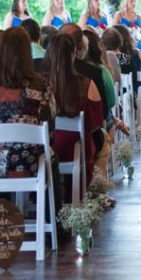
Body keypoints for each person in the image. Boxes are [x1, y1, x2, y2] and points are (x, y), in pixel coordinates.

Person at [0, 27, 62, 207]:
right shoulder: (41, 86)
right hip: (29, 163)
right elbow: (50, 130)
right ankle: (53, 223)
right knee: (51, 159)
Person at [44, 33, 104, 193]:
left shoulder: (37, 84)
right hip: (74, 149)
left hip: (44, 149)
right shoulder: (86, 83)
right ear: (73, 55)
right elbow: (96, 122)